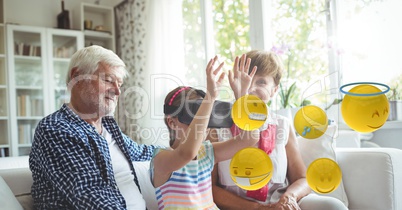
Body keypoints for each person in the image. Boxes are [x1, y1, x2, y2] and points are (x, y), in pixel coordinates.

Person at [211, 50, 348, 210]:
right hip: (238, 207)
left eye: (261, 82)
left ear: (274, 90)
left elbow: (302, 179)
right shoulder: (217, 128)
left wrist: (289, 197)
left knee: (333, 206)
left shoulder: (282, 125)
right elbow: (209, 188)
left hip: (281, 204)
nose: (251, 88)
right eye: (246, 80)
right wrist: (258, 208)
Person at [29, 45, 160, 210]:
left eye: (119, 83)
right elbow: (92, 199)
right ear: (77, 76)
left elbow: (143, 152)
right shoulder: (56, 129)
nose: (118, 91)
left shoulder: (108, 127)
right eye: (108, 80)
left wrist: (190, 149)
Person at [149, 55, 260, 209]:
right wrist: (210, 97)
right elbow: (186, 153)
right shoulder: (161, 159)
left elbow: (250, 138)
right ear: (172, 122)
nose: (203, 128)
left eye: (205, 120)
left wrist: (241, 95)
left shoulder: (207, 153)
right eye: (195, 121)